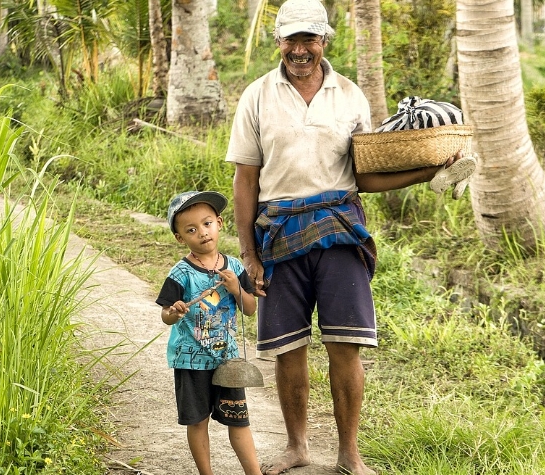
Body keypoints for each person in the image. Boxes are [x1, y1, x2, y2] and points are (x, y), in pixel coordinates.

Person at [224, 0, 474, 474]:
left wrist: (425, 173)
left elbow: (365, 175)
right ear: (277, 42)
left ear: (324, 41)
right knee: (287, 349)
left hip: (340, 231)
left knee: (346, 345)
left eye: (309, 40)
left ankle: (348, 454)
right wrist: (248, 255)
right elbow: (245, 179)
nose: (300, 50)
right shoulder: (257, 96)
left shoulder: (350, 94)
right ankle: (297, 447)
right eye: (291, 40)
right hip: (278, 234)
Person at [156, 190, 261, 475]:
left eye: (207, 224)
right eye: (191, 229)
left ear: (219, 222)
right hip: (191, 361)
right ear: (180, 238)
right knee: (197, 420)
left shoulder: (235, 268)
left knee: (238, 419)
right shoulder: (180, 273)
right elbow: (166, 315)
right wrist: (174, 312)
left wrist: (236, 288)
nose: (202, 233)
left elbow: (250, 309)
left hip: (227, 360)